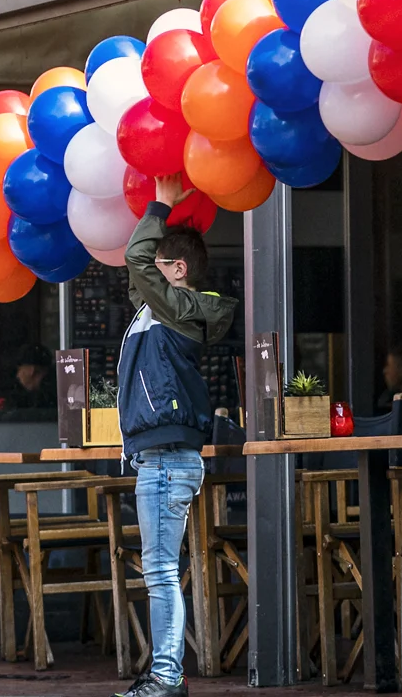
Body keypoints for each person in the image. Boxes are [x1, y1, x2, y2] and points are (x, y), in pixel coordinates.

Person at [115, 176, 237, 697]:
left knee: (161, 571)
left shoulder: (180, 309)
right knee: (160, 570)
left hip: (166, 458)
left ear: (178, 270)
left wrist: (160, 205)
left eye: (158, 265)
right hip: (159, 458)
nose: (144, 273)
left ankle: (166, 676)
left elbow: (135, 258)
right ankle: (166, 675)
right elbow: (137, 266)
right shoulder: (156, 311)